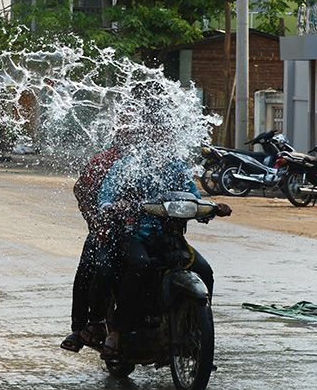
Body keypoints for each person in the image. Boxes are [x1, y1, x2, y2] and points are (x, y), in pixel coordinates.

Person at [97, 150, 231, 357]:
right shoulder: (129, 164)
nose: (162, 138)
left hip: (170, 238)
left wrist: (211, 208)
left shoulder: (177, 167)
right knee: (139, 266)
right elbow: (106, 194)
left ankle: (197, 331)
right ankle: (117, 331)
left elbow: (194, 199)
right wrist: (111, 206)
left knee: (204, 270)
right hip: (135, 236)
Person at [60, 138, 122, 353]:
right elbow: (81, 190)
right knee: (90, 267)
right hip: (107, 229)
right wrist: (96, 223)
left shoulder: (163, 159)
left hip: (151, 231)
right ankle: (81, 327)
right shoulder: (106, 160)